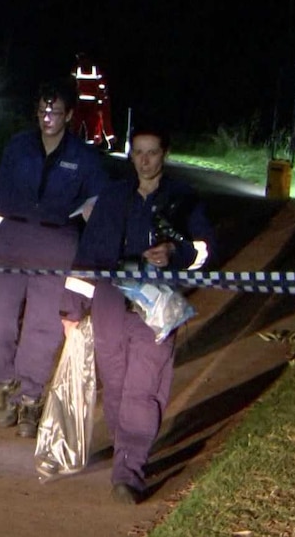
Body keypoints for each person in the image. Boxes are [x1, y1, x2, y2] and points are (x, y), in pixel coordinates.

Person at [60, 124, 216, 504]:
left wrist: (174, 254)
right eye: (139, 152)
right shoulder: (113, 196)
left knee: (141, 391)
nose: (145, 160)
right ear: (131, 155)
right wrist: (72, 308)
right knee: (115, 389)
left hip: (156, 308)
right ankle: (125, 451)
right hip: (111, 305)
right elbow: (89, 254)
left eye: (153, 152)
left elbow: (205, 249)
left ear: (165, 154)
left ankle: (128, 473)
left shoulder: (182, 198)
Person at [0, 78, 109, 438]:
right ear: (36, 111)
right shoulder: (18, 147)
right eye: (43, 111)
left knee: (42, 328)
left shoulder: (84, 157)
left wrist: (97, 253)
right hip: (13, 242)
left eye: (56, 112)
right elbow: (0, 197)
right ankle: (8, 389)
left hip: (57, 244)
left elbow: (96, 207)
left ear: (69, 115)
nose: (48, 118)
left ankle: (31, 398)